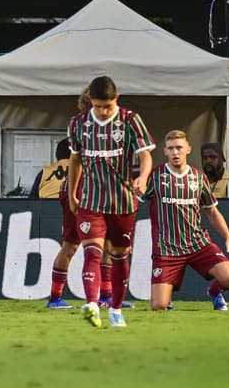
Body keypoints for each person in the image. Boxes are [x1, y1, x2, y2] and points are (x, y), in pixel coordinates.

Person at [67, 75, 154, 327]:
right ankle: (92, 304)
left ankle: (115, 309)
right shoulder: (78, 123)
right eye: (97, 106)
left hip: (123, 201)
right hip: (91, 201)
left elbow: (146, 155)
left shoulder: (130, 120)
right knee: (92, 252)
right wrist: (73, 192)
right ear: (90, 101)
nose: (103, 112)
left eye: (107, 106)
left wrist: (144, 177)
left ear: (116, 99)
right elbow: (76, 160)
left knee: (118, 255)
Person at [147, 130, 229, 311]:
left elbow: (212, 212)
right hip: (167, 249)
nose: (175, 152)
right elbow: (138, 200)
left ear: (188, 149)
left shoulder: (198, 177)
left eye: (179, 148)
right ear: (165, 151)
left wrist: (228, 237)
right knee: (158, 306)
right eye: (171, 148)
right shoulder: (156, 176)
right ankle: (166, 296)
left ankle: (214, 292)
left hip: (198, 244)